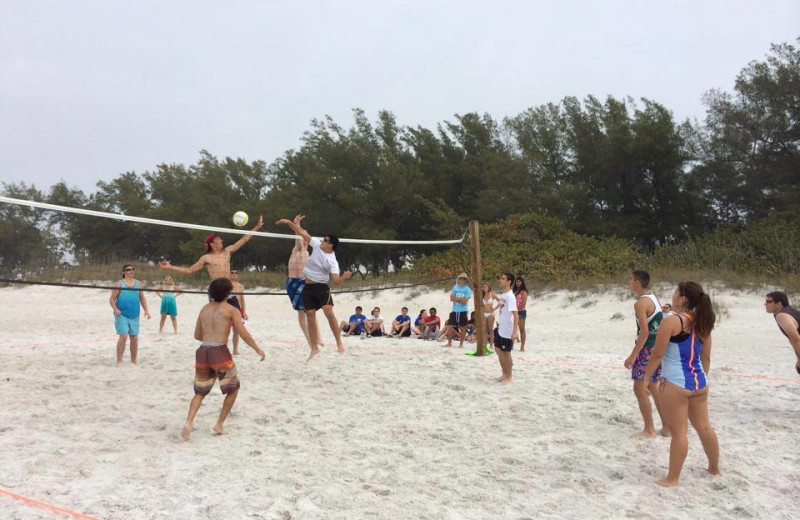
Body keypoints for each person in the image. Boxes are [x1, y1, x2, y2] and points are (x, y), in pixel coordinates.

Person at [643, 281, 720, 487]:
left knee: (679, 433)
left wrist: (645, 379)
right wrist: (699, 382)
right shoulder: (703, 321)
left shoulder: (671, 322)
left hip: (676, 383)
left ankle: (673, 478)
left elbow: (657, 354)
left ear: (683, 298)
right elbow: (706, 358)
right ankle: (714, 468)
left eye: (676, 292)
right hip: (700, 382)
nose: (674, 295)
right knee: (705, 428)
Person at [180, 278, 265, 441]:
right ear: (228, 293)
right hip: (219, 352)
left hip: (203, 351)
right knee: (233, 388)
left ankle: (188, 422)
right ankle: (219, 424)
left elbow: (197, 335)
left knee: (200, 392)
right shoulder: (231, 310)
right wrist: (257, 349)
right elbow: (243, 333)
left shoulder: (204, 308)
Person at [275, 214, 352, 360]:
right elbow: (302, 232)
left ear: (331, 245)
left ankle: (339, 342)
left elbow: (336, 281)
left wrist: (344, 277)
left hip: (321, 288)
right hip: (307, 287)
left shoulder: (332, 261)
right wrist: (289, 222)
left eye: (326, 240)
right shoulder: (316, 244)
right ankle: (314, 348)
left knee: (328, 312)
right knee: (310, 316)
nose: (322, 240)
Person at [159, 215, 264, 312]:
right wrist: (170, 266)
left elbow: (244, 239)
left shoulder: (227, 251)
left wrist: (257, 227)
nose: (221, 240)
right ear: (212, 244)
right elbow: (190, 270)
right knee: (216, 318)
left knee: (237, 316)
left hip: (228, 288)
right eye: (218, 239)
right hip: (215, 289)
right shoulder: (206, 258)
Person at [623, 270, 669, 439]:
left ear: (637, 283)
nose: (629, 282)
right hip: (657, 349)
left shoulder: (640, 304)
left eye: (631, 279)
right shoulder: (653, 298)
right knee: (653, 386)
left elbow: (644, 333)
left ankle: (649, 429)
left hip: (646, 349)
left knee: (639, 388)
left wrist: (632, 355)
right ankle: (666, 427)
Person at [109, 264, 151, 366]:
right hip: (121, 314)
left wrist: (146, 310)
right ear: (123, 272)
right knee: (123, 336)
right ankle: (119, 361)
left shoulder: (138, 284)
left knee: (134, 338)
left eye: (133, 269)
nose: (131, 271)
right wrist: (115, 309)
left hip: (134, 314)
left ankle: (133, 361)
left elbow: (142, 298)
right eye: (128, 270)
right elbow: (111, 299)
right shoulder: (119, 284)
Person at [764, 291, 800, 374]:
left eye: (769, 302)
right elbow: (793, 339)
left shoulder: (782, 316)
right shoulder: (787, 311)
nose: (765, 304)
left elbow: (796, 338)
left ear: (778, 304)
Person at [494, 273, 519, 383]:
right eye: (501, 278)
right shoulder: (503, 295)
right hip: (500, 328)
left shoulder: (510, 296)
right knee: (498, 350)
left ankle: (509, 376)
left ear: (509, 281)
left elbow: (516, 314)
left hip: (507, 329)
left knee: (506, 353)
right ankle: (504, 373)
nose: (500, 280)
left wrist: (514, 331)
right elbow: (499, 305)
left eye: (503, 278)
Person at [445, 273, 473, 348]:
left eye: (463, 279)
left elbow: (465, 302)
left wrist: (456, 299)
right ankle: (449, 343)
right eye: (460, 278)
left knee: (462, 327)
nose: (461, 280)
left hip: (463, 310)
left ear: (465, 280)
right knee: (450, 326)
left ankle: (461, 344)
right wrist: (460, 299)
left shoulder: (467, 289)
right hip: (454, 310)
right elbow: (451, 299)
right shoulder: (455, 287)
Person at [230, 269, 247, 355]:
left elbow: (242, 299)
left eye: (236, 273)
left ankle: (235, 350)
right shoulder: (227, 285)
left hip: (238, 310)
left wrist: (244, 312)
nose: (234, 274)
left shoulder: (241, 286)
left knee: (236, 331)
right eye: (232, 273)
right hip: (228, 309)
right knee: (224, 330)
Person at [513, 276, 529, 352]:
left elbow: (523, 303)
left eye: (519, 281)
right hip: (513, 312)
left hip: (521, 312)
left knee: (521, 329)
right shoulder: (514, 291)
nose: (518, 283)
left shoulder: (524, 291)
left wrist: (516, 311)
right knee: (512, 329)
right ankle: (511, 345)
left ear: (522, 282)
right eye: (517, 281)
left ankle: (522, 346)